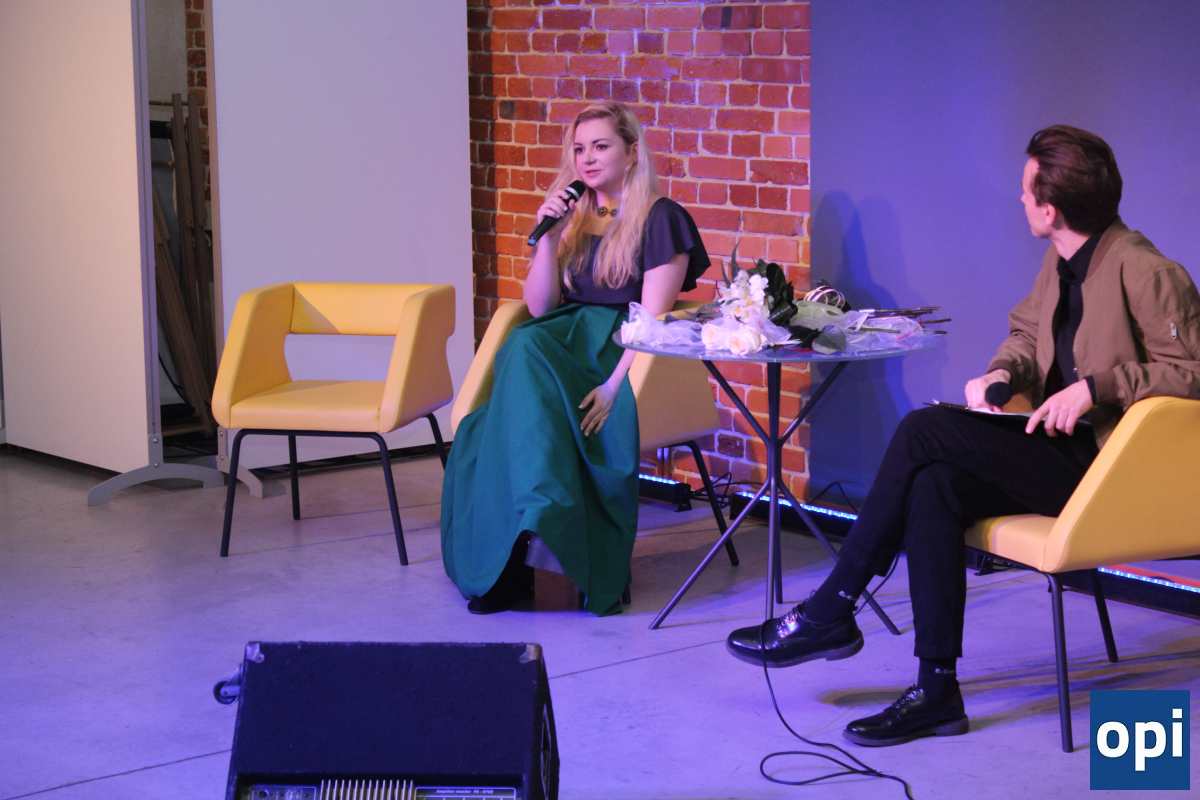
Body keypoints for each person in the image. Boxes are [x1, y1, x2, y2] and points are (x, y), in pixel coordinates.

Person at [725, 125, 1200, 745]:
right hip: (1068, 455)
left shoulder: (1146, 270)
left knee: (925, 429)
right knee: (936, 486)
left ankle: (833, 606)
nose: (1019, 199)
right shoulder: (1062, 261)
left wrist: (1098, 386)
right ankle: (936, 690)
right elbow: (1027, 332)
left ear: (1051, 209)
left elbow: (1193, 372)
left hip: (1113, 471)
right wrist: (1002, 373)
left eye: (1026, 190)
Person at [441, 101, 711, 615]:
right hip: (560, 338)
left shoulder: (661, 218)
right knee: (510, 372)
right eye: (579, 148)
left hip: (614, 348)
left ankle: (540, 554)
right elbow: (540, 308)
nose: (587, 159)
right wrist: (546, 238)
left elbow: (652, 322)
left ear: (631, 152)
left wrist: (613, 386)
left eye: (601, 146)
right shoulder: (576, 213)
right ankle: (512, 561)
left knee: (527, 350)